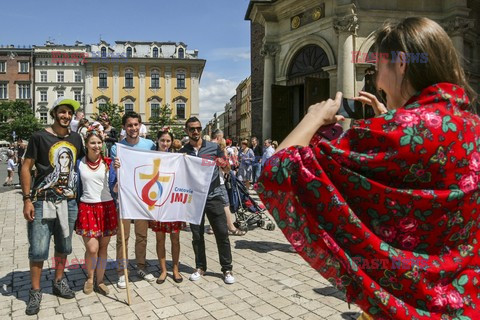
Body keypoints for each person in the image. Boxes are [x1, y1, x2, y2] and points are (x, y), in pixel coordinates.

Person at [258, 17, 479, 320]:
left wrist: (313, 117)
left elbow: (276, 170)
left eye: (377, 68)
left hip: (398, 308)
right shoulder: (472, 127)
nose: (375, 81)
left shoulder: (391, 132)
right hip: (466, 302)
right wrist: (392, 120)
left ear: (401, 63)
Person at [21, 98, 84, 315]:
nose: (66, 116)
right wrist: (27, 199)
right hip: (42, 201)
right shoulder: (39, 137)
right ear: (54, 113)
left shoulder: (76, 138)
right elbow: (26, 167)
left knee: (64, 247)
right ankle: (35, 291)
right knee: (38, 249)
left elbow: (81, 166)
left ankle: (58, 281)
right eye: (63, 112)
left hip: (69, 202)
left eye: (69, 113)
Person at [180, 117, 235, 284]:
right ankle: (200, 267)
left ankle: (227, 269)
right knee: (197, 235)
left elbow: (227, 168)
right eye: (192, 129)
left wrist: (224, 164)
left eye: (198, 128)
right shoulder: (184, 151)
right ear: (187, 131)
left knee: (221, 233)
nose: (195, 132)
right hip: (194, 199)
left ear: (202, 130)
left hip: (213, 195)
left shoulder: (213, 147)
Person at [110, 111, 157, 288]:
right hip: (124, 197)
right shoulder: (117, 148)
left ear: (140, 125)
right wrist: (115, 168)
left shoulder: (150, 145)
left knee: (142, 235)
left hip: (142, 198)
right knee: (123, 237)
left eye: (136, 125)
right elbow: (113, 175)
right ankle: (122, 272)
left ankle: (141, 266)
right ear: (124, 127)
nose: (133, 128)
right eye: (129, 125)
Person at [75, 128, 117, 295]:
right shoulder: (79, 163)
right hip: (87, 208)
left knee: (103, 248)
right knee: (92, 248)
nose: (96, 145)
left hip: (106, 207)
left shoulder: (109, 163)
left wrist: (118, 171)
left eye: (99, 142)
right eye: (93, 142)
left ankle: (100, 281)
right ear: (86, 144)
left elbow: (116, 186)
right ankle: (90, 278)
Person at [149, 128, 186, 284]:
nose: (165, 143)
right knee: (159, 239)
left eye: (168, 141)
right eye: (162, 140)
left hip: (173, 204)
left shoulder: (177, 158)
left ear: (172, 142)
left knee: (175, 238)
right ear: (158, 141)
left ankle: (175, 269)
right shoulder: (150, 157)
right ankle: (163, 270)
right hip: (157, 204)